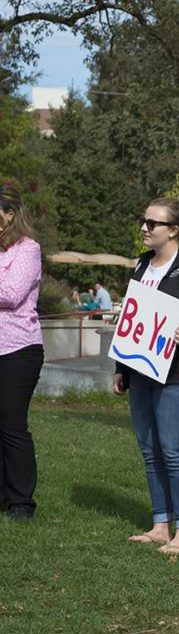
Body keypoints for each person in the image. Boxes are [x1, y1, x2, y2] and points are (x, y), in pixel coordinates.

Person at [113, 195, 179, 555]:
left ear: (173, 231)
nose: (144, 227)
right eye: (144, 220)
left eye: (152, 223)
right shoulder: (141, 266)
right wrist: (121, 369)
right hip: (142, 370)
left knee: (174, 450)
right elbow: (133, 319)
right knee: (150, 449)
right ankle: (160, 525)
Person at [0, 183, 44, 521]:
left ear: (10, 214)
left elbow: (13, 293)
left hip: (19, 348)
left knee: (12, 424)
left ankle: (21, 501)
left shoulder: (27, 249)